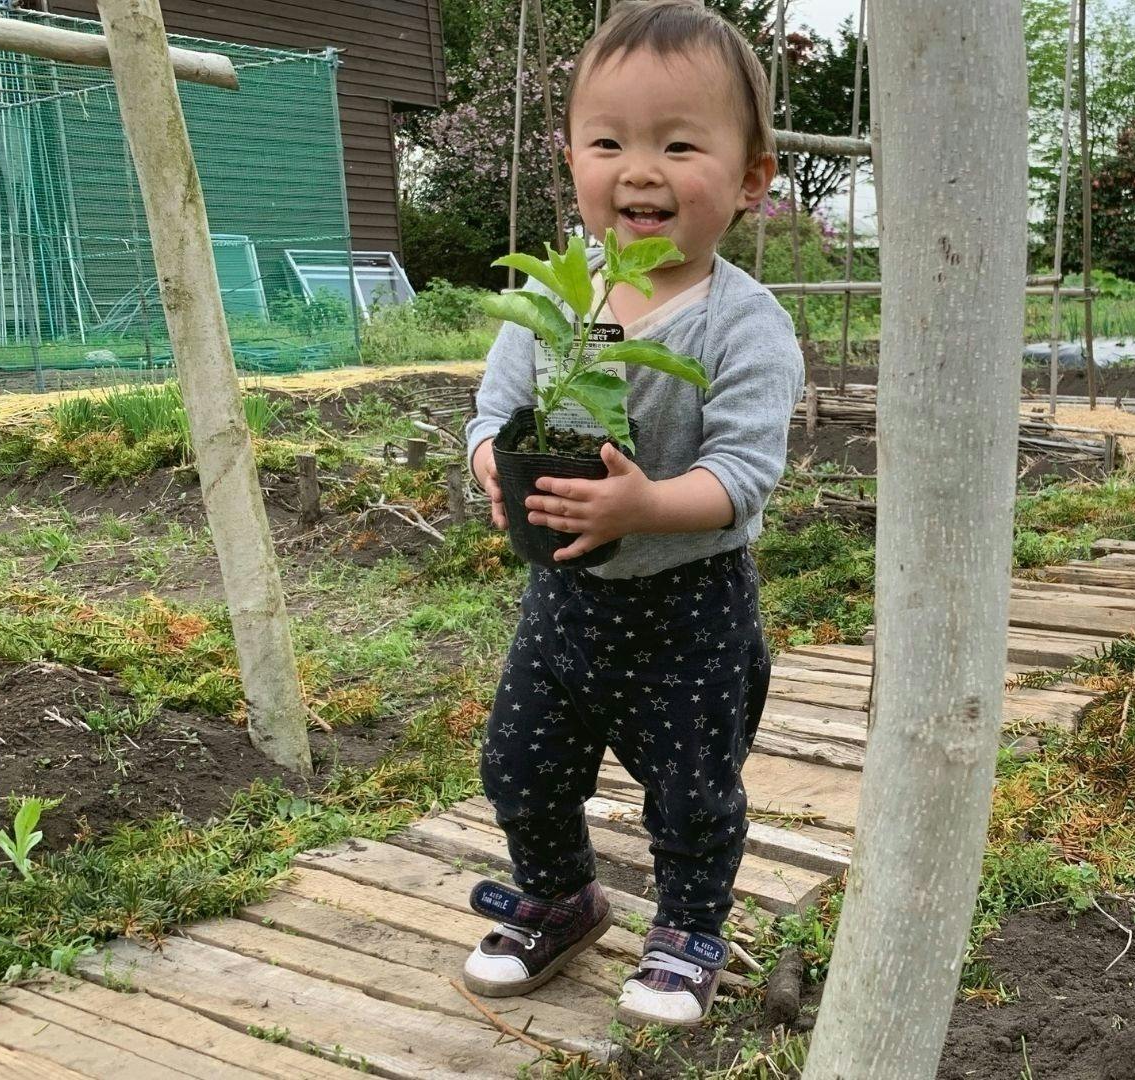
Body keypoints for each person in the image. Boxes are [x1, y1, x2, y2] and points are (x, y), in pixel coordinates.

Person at [459, 0, 801, 1028]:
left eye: (679, 145)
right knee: (519, 763)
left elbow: (742, 475)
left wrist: (645, 503)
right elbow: (492, 415)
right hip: (563, 601)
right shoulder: (558, 302)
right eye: (608, 142)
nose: (639, 170)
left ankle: (690, 928)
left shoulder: (744, 324)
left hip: (689, 609)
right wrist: (490, 465)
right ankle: (560, 897)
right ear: (570, 159)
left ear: (750, 179)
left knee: (694, 790)